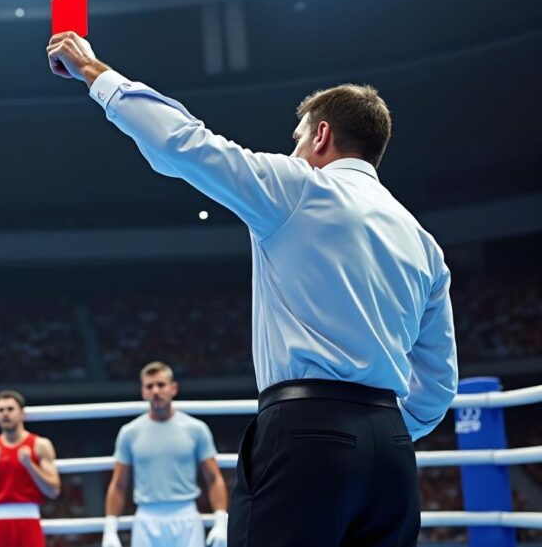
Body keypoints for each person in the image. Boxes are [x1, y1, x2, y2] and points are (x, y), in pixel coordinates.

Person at [47, 32, 458, 546]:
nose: (294, 148)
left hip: (308, 432)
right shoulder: (423, 241)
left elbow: (186, 143)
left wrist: (94, 73)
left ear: (321, 136)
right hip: (391, 451)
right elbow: (439, 382)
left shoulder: (301, 187)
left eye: (297, 137)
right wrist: (384, 432)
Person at [103, 362, 228, 547]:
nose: (155, 391)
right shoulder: (129, 433)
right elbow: (118, 484)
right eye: (149, 386)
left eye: (161, 385)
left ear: (173, 388)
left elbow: (214, 478)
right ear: (143, 392)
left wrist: (221, 521)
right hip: (146, 518)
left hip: (186, 516)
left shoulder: (196, 429)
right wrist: (110, 528)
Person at [0, 390, 61, 547]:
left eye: (10, 409)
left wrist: (30, 465)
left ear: (22, 413)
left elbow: (54, 491)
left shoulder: (40, 445)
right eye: (0, 410)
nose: (5, 414)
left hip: (30, 520)